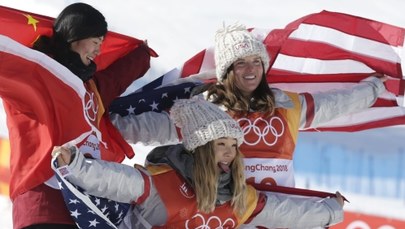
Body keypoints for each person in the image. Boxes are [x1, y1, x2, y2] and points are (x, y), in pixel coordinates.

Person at [112, 22, 386, 188]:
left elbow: (335, 104)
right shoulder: (205, 106)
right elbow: (150, 127)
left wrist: (374, 88)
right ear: (226, 71)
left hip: (278, 213)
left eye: (257, 62)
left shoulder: (287, 104)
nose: (250, 69)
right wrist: (104, 124)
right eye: (240, 63)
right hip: (226, 214)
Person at [53, 97, 345, 228]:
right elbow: (113, 180)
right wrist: (76, 164)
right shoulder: (161, 182)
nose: (230, 153)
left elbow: (286, 214)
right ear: (201, 150)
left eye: (234, 146)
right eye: (221, 145)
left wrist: (330, 211)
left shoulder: (240, 197)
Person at [2, 3, 155, 228]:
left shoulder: (90, 88)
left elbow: (116, 78)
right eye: (95, 42)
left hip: (80, 206)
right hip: (42, 202)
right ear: (75, 37)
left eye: (102, 44)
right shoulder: (39, 73)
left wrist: (142, 55)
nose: (98, 51)